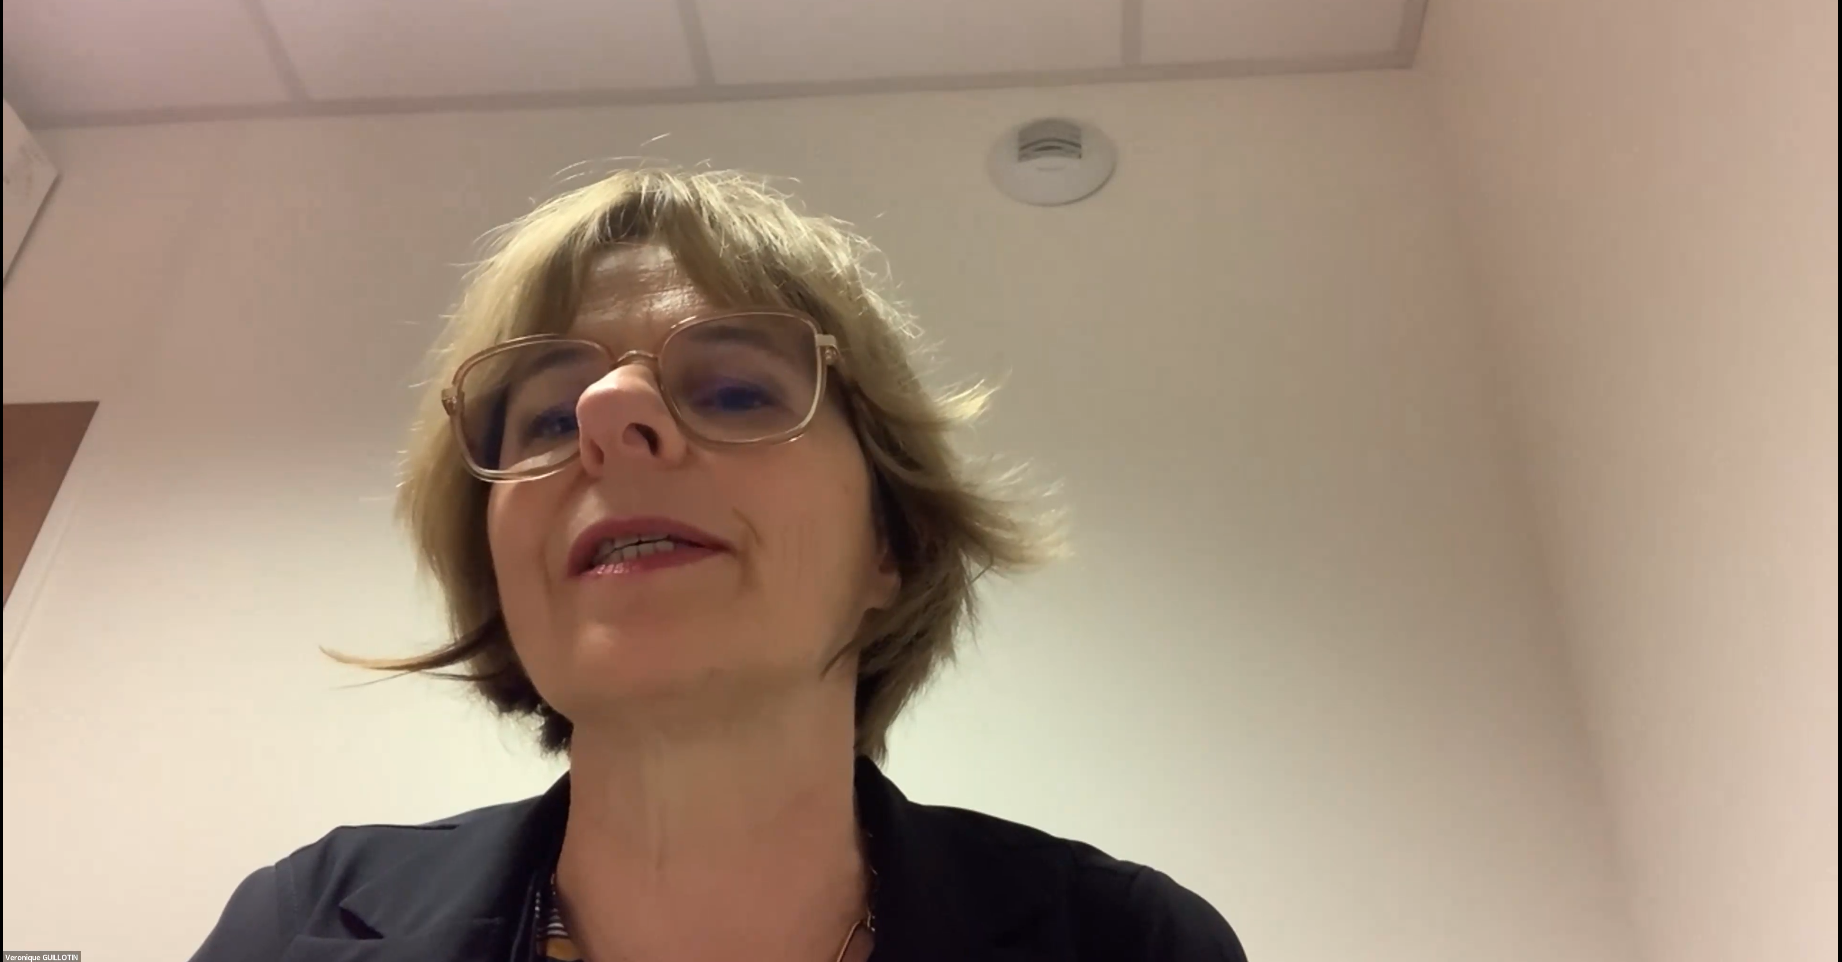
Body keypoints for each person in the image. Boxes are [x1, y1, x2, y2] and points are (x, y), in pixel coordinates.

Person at [187, 168, 1247, 962]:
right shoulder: (297, 924)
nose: (610, 415)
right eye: (548, 415)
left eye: (735, 391)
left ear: (890, 540)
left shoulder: (1130, 941)